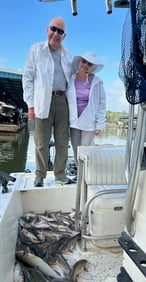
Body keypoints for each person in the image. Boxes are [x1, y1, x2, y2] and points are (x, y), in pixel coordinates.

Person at [23, 17, 73, 187]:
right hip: (42, 100)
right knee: (41, 142)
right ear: (47, 29)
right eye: (54, 29)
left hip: (62, 101)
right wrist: (30, 104)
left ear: (64, 36)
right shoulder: (36, 50)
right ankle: (40, 175)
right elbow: (28, 78)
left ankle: (60, 174)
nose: (56, 34)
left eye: (60, 31)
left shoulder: (68, 55)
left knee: (62, 142)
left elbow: (72, 81)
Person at [66, 51, 106, 177]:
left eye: (89, 64)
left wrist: (100, 124)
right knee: (76, 150)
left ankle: (87, 175)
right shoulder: (70, 78)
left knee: (86, 151)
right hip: (73, 122)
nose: (85, 65)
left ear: (93, 67)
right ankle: (80, 175)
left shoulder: (98, 82)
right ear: (79, 62)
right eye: (84, 62)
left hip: (89, 123)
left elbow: (102, 103)